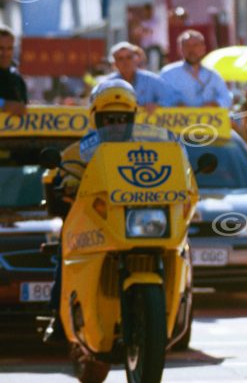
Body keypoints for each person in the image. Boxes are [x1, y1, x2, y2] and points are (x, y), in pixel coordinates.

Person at [43, 80, 139, 343]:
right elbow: (62, 175)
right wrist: (68, 183)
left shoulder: (148, 149)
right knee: (66, 248)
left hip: (138, 223)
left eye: (122, 118)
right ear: (96, 119)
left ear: (133, 118)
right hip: (94, 223)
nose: (116, 124)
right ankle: (58, 314)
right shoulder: (78, 152)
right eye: (109, 119)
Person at [160, 30, 232, 108]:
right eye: (187, 45)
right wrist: (174, 103)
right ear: (180, 49)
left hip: (207, 119)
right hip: (178, 118)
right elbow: (159, 98)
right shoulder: (168, 73)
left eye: (195, 45)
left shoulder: (213, 75)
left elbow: (227, 99)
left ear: (203, 48)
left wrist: (215, 104)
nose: (191, 50)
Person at [107, 42, 174, 109]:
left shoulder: (151, 79)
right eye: (120, 59)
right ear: (114, 63)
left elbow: (171, 99)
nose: (125, 62)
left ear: (136, 59)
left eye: (129, 57)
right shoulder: (108, 84)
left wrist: (158, 105)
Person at [0, 25, 27, 116]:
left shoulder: (16, 78)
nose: (5, 53)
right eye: (1, 48)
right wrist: (3, 104)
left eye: (9, 48)